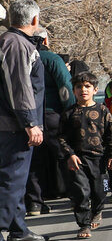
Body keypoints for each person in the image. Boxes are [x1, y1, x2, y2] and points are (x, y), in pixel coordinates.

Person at [0, 0, 47, 241]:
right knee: (10, 179)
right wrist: (31, 122)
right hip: (14, 125)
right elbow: (19, 87)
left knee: (17, 178)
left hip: (12, 123)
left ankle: (18, 229)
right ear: (34, 20)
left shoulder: (12, 42)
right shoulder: (16, 44)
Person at [58, 71, 112, 238]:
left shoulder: (103, 110)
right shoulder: (68, 113)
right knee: (81, 192)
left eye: (87, 86)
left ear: (95, 89)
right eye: (79, 87)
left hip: (99, 159)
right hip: (77, 160)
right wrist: (69, 154)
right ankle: (84, 225)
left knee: (99, 192)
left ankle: (97, 211)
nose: (83, 90)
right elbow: (61, 137)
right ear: (73, 90)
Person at [23, 29, 73, 216]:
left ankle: (35, 203)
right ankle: (76, 197)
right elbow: (65, 88)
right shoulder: (51, 59)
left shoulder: (21, 58)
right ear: (45, 40)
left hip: (27, 118)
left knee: (33, 161)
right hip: (52, 116)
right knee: (65, 155)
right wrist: (70, 112)